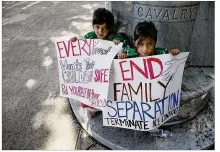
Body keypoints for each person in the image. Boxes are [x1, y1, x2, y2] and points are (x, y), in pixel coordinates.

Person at [70, 8, 125, 117]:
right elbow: (82, 48)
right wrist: (75, 42)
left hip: (109, 73)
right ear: (93, 26)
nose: (100, 32)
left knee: (107, 92)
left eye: (105, 28)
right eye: (97, 27)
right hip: (94, 73)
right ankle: (93, 107)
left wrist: (117, 46)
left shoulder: (115, 38)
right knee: (93, 91)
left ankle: (104, 106)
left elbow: (123, 52)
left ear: (109, 28)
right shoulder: (90, 37)